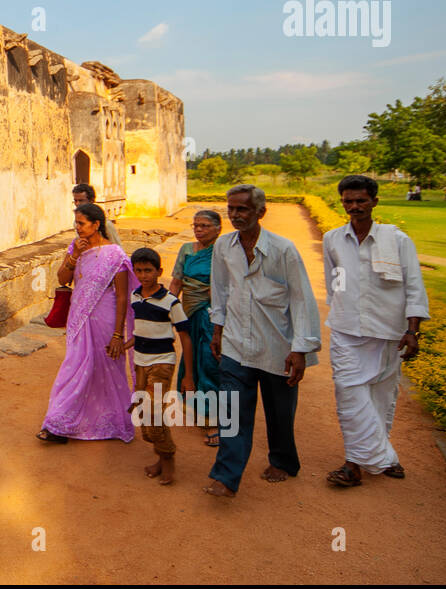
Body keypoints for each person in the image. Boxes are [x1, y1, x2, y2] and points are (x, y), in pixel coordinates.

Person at [204, 184, 321, 498]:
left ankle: (282, 460)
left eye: (242, 209)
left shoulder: (283, 250)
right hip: (235, 344)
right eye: (231, 209)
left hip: (276, 347)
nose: (235, 215)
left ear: (260, 212)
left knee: (279, 412)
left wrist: (300, 349)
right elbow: (221, 290)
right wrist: (217, 329)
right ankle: (226, 476)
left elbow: (302, 300)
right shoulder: (224, 247)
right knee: (232, 410)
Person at [323, 175, 430, 487]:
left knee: (381, 395)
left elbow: (414, 285)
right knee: (349, 391)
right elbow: (334, 282)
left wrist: (413, 330)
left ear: (374, 202)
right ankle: (374, 458)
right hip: (345, 329)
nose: (354, 207)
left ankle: (365, 461)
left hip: (387, 331)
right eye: (348, 201)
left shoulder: (397, 241)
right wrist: (343, 306)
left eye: (361, 201)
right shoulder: (333, 239)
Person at [38, 201, 138, 443]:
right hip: (79, 317)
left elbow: (123, 296)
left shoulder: (115, 255)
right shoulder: (76, 248)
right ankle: (58, 423)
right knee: (75, 366)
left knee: (105, 368)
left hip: (105, 318)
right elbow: (63, 279)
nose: (77, 227)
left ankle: (112, 422)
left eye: (82, 223)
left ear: (96, 225)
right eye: (76, 223)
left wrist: (117, 335)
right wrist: (74, 256)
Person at [129, 247, 194, 484]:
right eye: (139, 271)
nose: (144, 275)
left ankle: (168, 460)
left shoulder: (171, 302)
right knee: (144, 413)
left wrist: (188, 376)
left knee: (155, 413)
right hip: (140, 362)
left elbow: (185, 337)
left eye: (148, 270)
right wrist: (124, 343)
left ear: (159, 271)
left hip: (162, 362)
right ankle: (160, 455)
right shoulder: (135, 296)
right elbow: (142, 328)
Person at [169, 209, 223, 446]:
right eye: (196, 226)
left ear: (218, 228)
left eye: (204, 226)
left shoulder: (224, 251)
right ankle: (196, 406)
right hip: (189, 312)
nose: (199, 230)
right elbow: (177, 281)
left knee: (210, 360)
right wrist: (167, 308)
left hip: (213, 314)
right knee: (191, 359)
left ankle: (212, 418)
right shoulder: (187, 250)